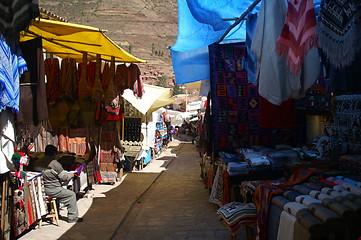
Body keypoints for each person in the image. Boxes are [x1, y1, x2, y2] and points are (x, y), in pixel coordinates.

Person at [42, 145, 83, 223]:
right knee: (71, 195)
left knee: (61, 194)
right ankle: (72, 217)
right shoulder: (55, 164)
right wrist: (72, 174)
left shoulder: (40, 161)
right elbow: (64, 177)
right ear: (54, 154)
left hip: (43, 188)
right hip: (53, 189)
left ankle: (55, 213)